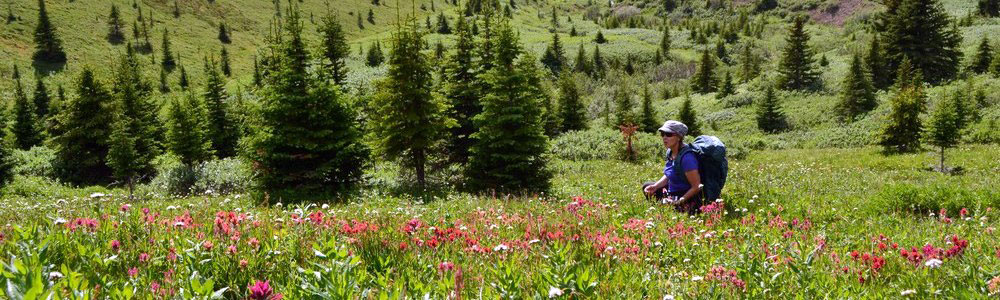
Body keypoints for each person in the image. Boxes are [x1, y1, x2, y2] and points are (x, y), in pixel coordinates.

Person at [643, 120, 703, 214]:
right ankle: (667, 207)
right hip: (673, 191)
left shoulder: (687, 158)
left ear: (679, 137)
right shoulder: (670, 152)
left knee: (672, 209)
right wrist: (655, 186)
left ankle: (674, 209)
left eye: (669, 134)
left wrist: (679, 201)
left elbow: (696, 187)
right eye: (662, 134)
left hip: (686, 195)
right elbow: (669, 175)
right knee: (647, 186)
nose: (664, 138)